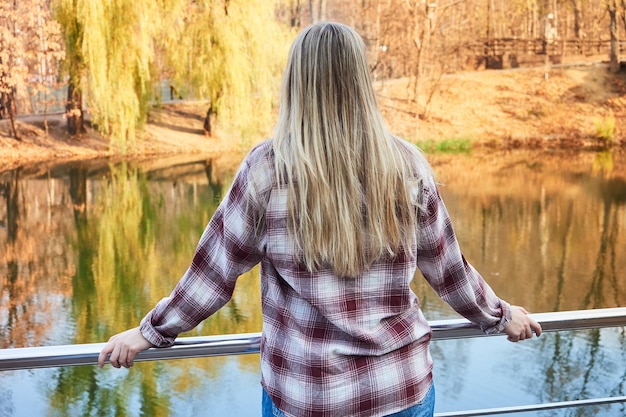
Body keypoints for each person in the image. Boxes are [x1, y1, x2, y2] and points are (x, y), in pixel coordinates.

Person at [98, 22, 542, 417]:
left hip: (308, 397)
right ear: (360, 82)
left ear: (296, 84)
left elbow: (213, 274)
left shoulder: (266, 171)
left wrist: (150, 333)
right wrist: (500, 316)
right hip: (400, 389)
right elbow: (449, 272)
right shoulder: (407, 166)